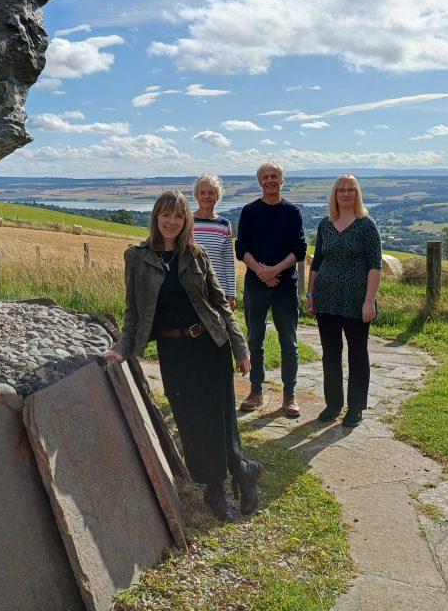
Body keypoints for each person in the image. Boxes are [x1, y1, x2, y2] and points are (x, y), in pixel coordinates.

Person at [101, 191, 261, 521]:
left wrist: (241, 349)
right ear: (156, 218)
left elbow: (221, 306)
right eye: (166, 215)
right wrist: (121, 346)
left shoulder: (196, 256)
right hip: (173, 352)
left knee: (219, 419)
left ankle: (216, 489)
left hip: (210, 347)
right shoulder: (137, 257)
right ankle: (244, 469)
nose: (171, 221)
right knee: (191, 422)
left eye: (178, 215)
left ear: (186, 220)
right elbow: (133, 312)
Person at [306, 174, 382, 428]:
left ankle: (356, 407)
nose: (346, 193)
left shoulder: (366, 225)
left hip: (356, 301)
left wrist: (369, 301)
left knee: (357, 353)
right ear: (335, 194)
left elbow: (375, 266)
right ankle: (333, 404)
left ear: (357, 194)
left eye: (351, 189)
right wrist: (310, 294)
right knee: (330, 354)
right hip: (326, 300)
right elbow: (317, 263)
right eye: (341, 190)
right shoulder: (325, 225)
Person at [235, 161, 307, 416]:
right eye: (265, 177)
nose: (270, 181)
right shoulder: (249, 211)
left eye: (274, 176)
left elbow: (299, 249)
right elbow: (241, 249)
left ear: (282, 180)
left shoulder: (292, 212)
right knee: (255, 340)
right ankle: (256, 391)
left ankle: (289, 395)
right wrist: (261, 272)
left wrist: (274, 271)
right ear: (260, 181)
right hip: (256, 285)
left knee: (289, 341)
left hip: (285, 286)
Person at [192, 173, 236, 311]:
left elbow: (228, 261)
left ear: (217, 196)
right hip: (191, 287)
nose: (206, 196)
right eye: (202, 192)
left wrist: (231, 294)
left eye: (211, 192)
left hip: (219, 288)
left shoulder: (224, 225)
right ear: (196, 196)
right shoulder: (186, 222)